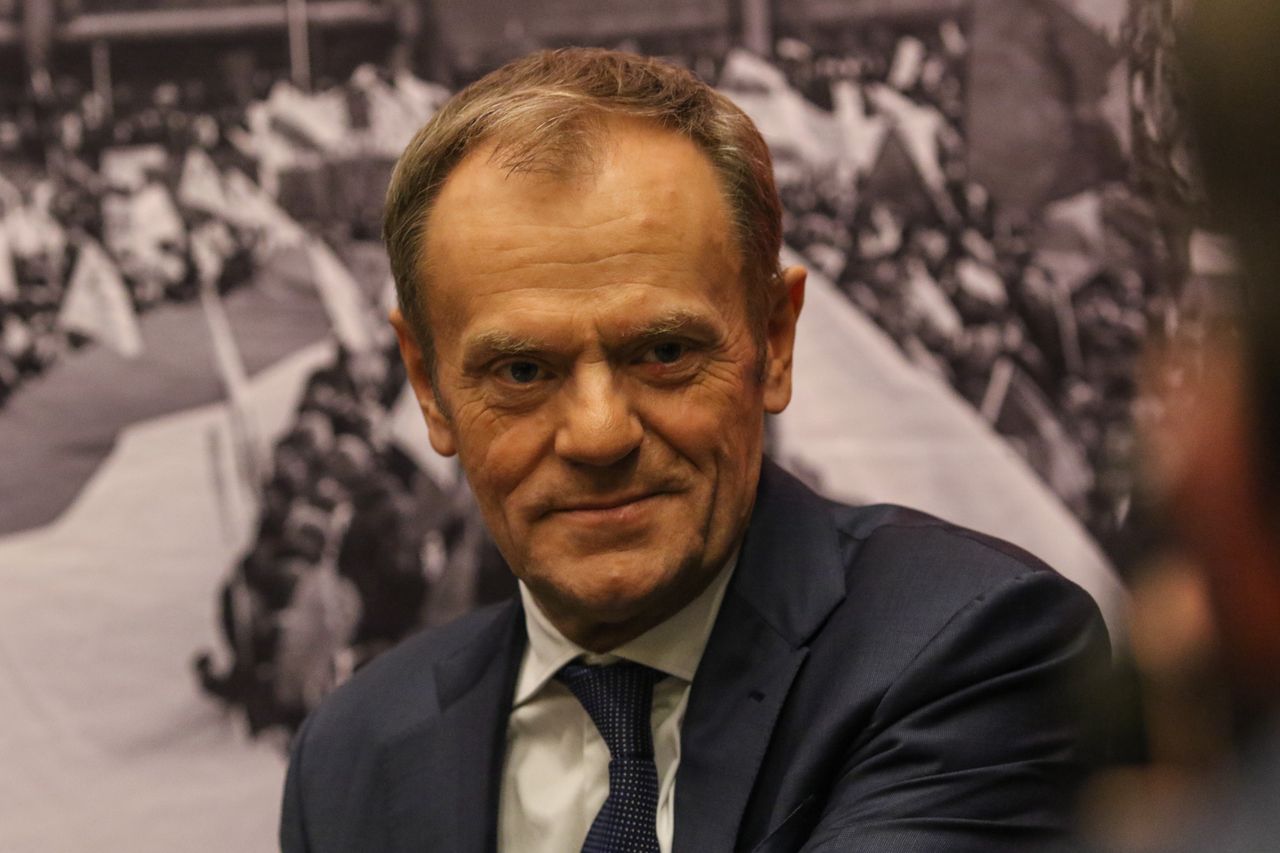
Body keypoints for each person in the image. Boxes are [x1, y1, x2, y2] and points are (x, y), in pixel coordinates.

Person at [280, 48, 1108, 852]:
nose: (599, 433)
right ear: (428, 386)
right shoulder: (352, 756)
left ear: (775, 340)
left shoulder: (977, 651)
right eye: (523, 369)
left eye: (664, 353)